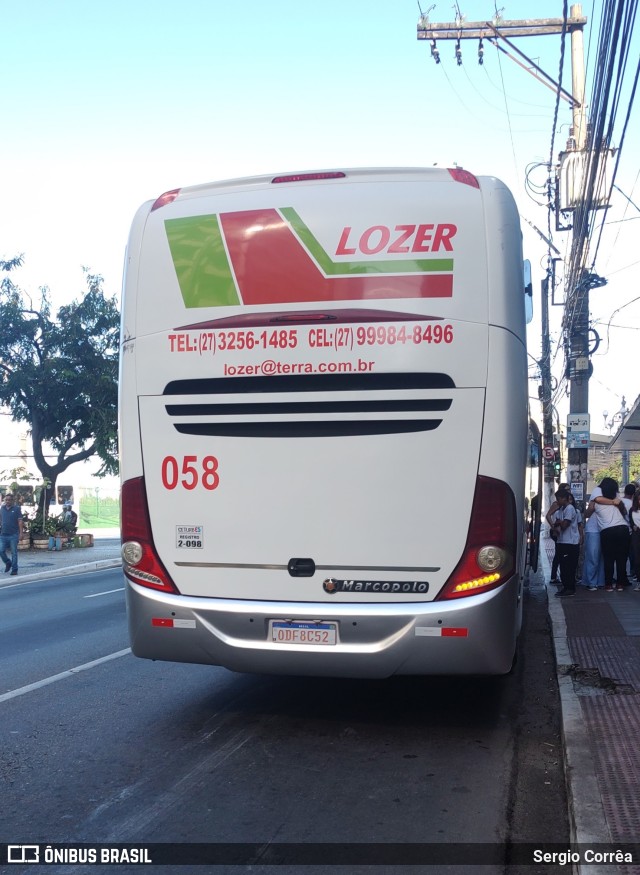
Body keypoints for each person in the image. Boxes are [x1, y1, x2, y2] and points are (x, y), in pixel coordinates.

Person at [587, 477, 630, 592]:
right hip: (623, 529)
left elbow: (589, 511)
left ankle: (609, 584)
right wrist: (617, 503)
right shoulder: (617, 499)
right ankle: (620, 584)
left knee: (609, 558)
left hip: (608, 530)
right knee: (621, 558)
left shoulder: (597, 498)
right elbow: (624, 512)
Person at [551, 487, 580, 598]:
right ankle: (565, 587)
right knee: (563, 566)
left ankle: (570, 588)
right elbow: (556, 525)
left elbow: (564, 525)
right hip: (562, 541)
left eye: (559, 499)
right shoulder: (561, 510)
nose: (557, 501)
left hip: (570, 543)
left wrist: (559, 523)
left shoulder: (570, 509)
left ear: (565, 498)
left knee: (569, 567)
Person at [546, 483, 570, 585]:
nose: (569, 491)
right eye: (567, 490)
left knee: (560, 554)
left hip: (562, 530)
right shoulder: (557, 504)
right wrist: (553, 527)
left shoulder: (567, 505)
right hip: (557, 531)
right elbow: (548, 515)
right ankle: (554, 576)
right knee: (558, 554)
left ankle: (557, 576)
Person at [582, 485, 605, 590]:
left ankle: (598, 581)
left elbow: (587, 512)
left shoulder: (601, 492)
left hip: (602, 529)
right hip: (594, 529)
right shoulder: (598, 492)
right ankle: (592, 582)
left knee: (597, 557)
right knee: (594, 556)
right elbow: (588, 511)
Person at [0, 493, 25, 576]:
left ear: (12, 500)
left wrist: (21, 533)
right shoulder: (2, 509)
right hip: (3, 534)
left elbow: (20, 521)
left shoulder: (17, 509)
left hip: (13, 535)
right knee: (1, 551)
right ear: (4, 500)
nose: (7, 501)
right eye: (6, 500)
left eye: (9, 500)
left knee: (14, 553)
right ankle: (8, 562)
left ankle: (14, 569)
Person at [630, 489, 640, 592]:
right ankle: (639, 581)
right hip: (636, 536)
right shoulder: (632, 511)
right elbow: (631, 522)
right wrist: (633, 526)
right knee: (637, 559)